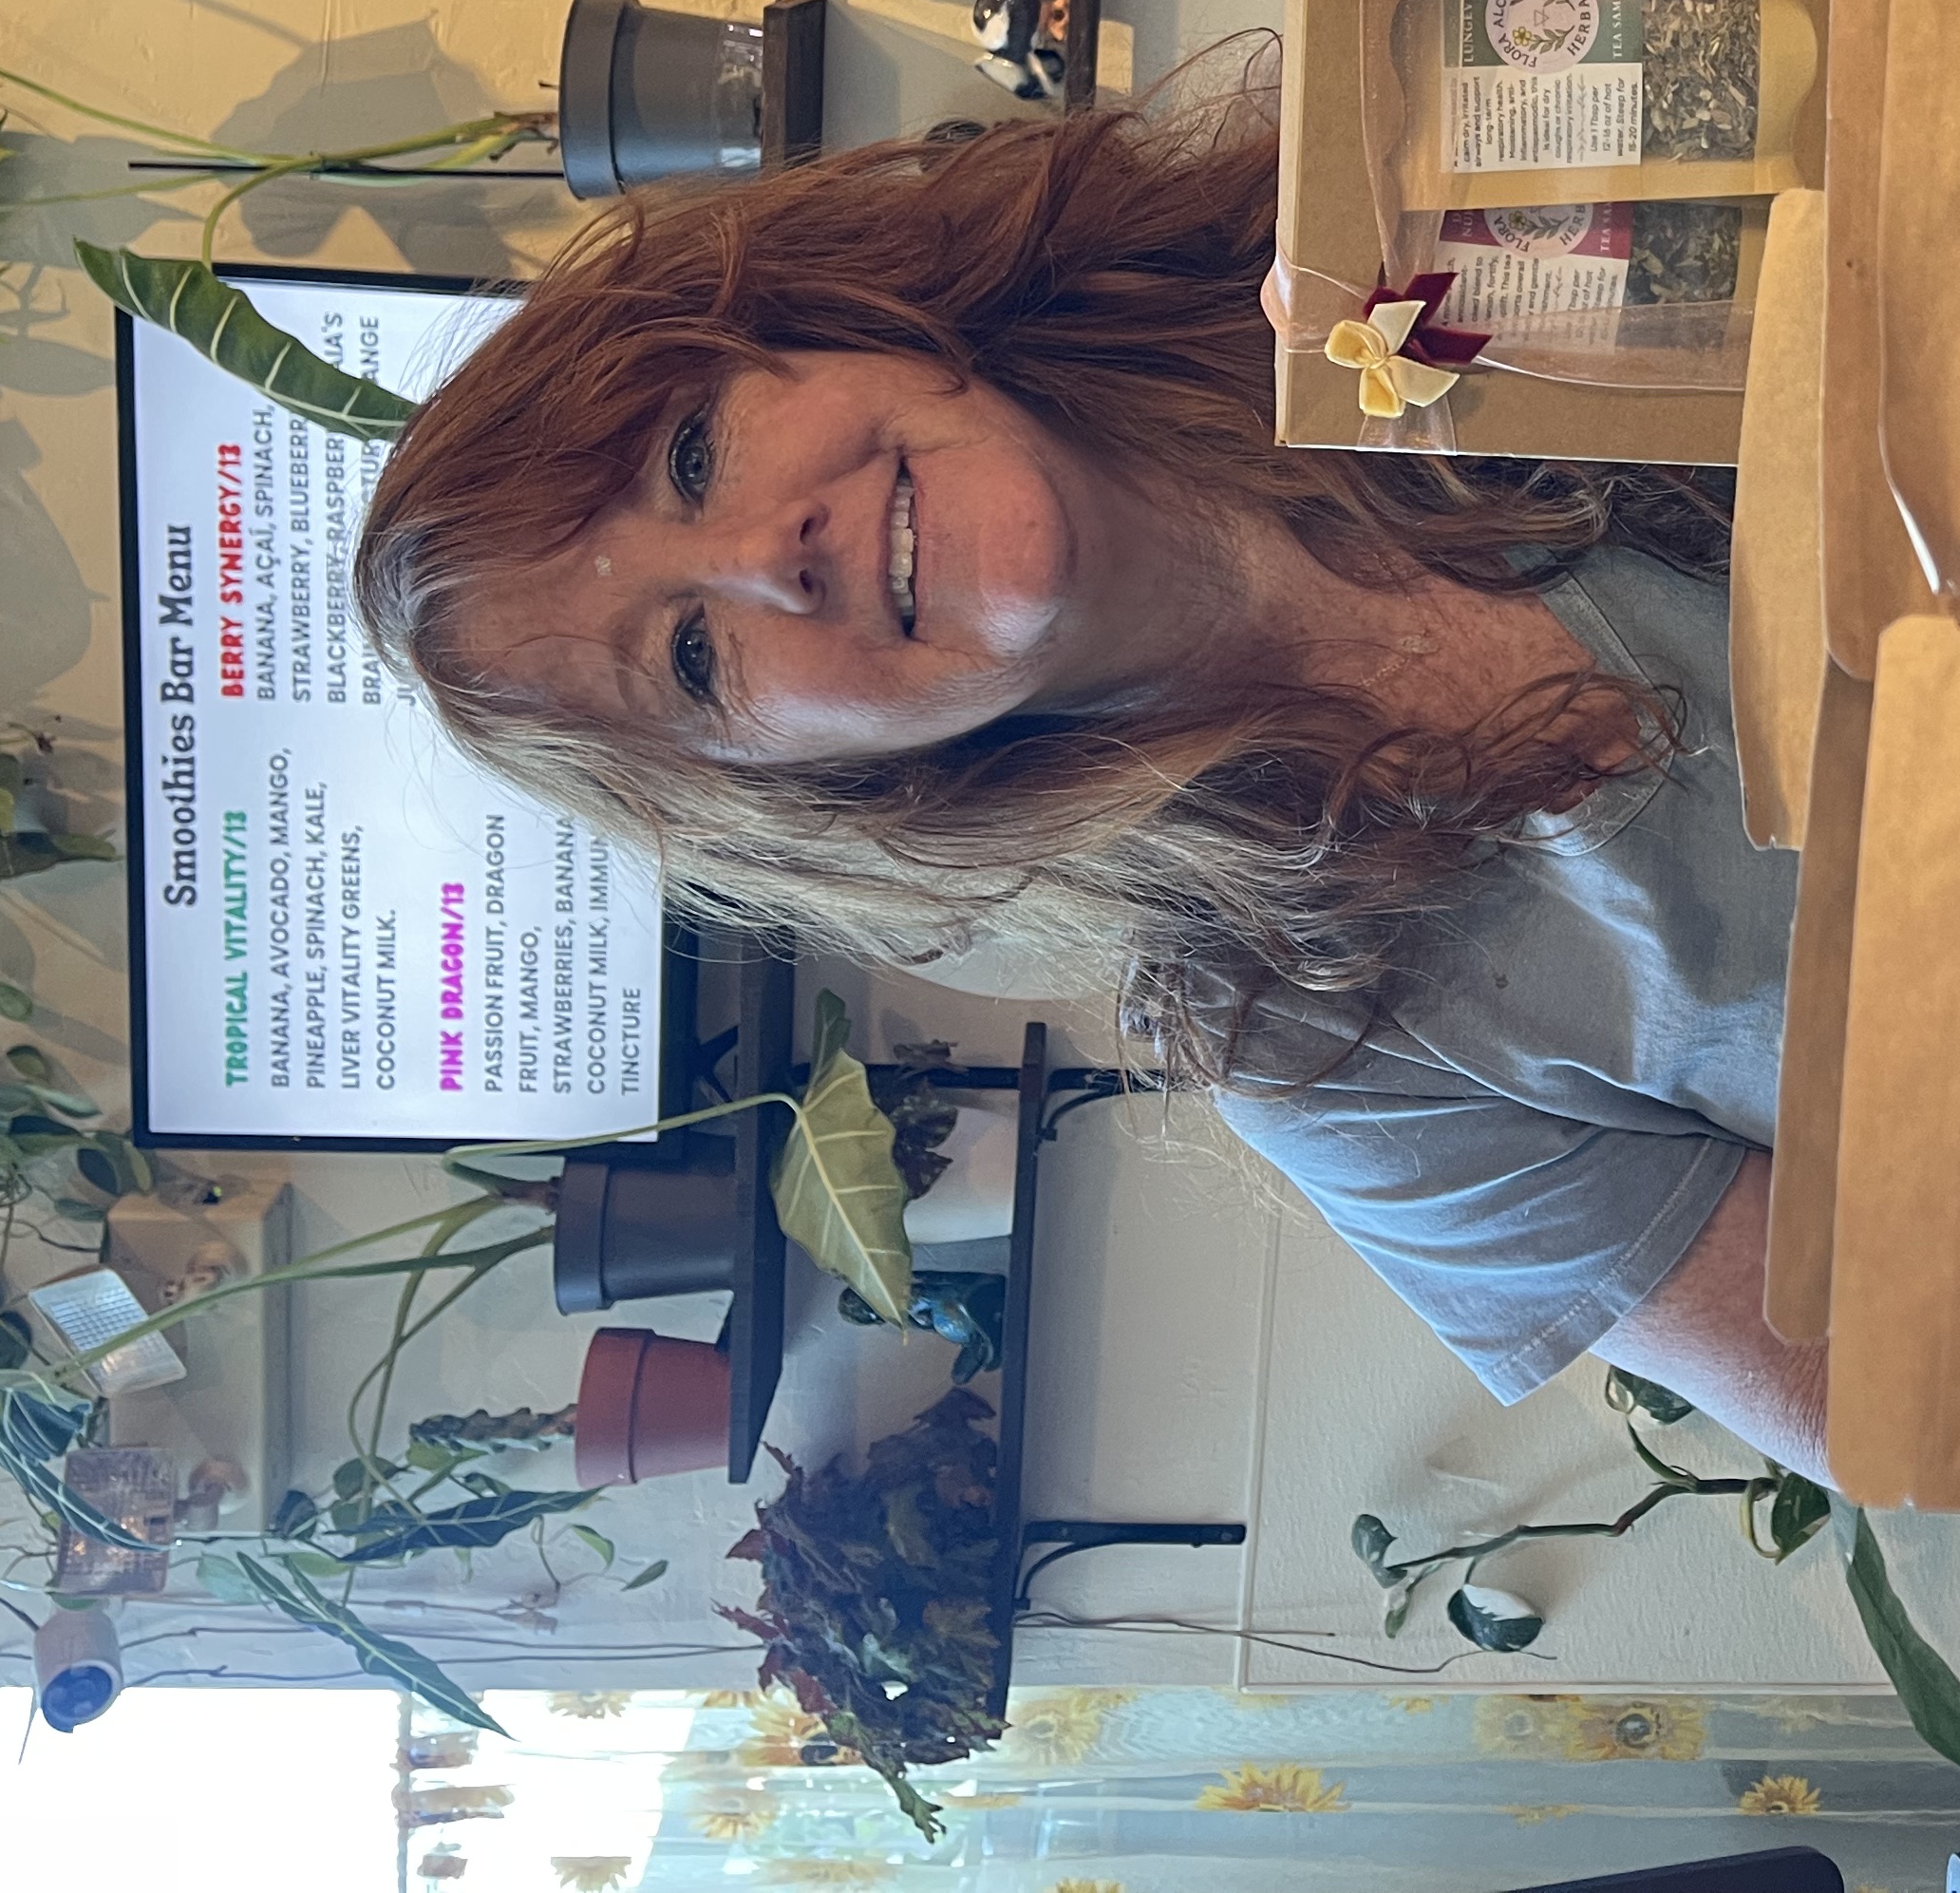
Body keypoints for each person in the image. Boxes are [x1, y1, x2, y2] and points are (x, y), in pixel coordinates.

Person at [354, 96, 1831, 1475]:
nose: (765, 559)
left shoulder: (1369, 214)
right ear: (795, 786)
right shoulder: (1317, 1042)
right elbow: (1936, 1386)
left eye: (691, 454)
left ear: (810, 327)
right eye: (690, 657)